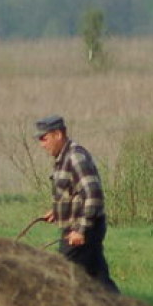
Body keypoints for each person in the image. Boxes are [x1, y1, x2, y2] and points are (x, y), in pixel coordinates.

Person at [35, 115, 120, 294]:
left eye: (44, 138)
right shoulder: (63, 158)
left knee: (62, 276)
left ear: (58, 134)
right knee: (98, 279)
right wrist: (58, 211)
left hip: (84, 229)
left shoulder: (75, 157)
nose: (42, 144)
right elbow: (74, 193)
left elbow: (93, 194)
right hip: (83, 227)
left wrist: (80, 230)